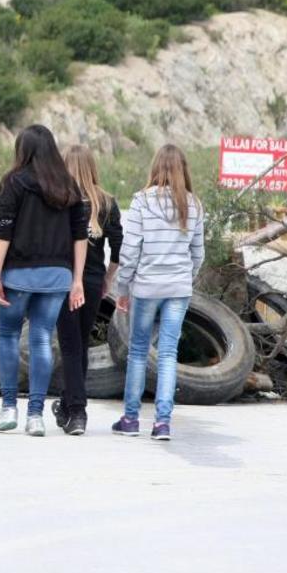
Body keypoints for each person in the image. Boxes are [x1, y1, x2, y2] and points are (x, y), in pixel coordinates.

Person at [0, 125, 88, 437]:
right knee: (42, 338)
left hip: (19, 274)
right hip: (58, 276)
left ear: (23, 149)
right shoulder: (68, 186)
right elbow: (80, 237)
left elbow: (3, 231)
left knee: (7, 336)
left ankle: (8, 408)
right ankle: (35, 416)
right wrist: (78, 280)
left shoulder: (13, 182)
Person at [112, 144, 204, 442]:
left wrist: (122, 287)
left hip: (147, 287)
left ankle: (131, 418)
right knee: (168, 353)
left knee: (138, 351)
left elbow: (130, 251)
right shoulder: (194, 205)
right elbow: (198, 254)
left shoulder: (142, 201)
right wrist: (185, 279)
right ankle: (162, 423)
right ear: (183, 170)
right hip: (177, 288)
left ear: (155, 168)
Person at [52, 145, 123, 436]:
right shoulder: (107, 203)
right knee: (79, 344)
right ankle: (68, 405)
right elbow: (119, 248)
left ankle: (77, 411)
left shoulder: (59, 200)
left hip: (65, 280)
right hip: (93, 282)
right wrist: (108, 278)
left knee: (69, 345)